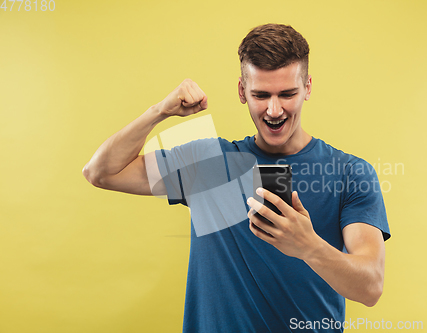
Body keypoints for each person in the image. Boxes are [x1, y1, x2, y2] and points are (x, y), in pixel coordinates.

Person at [83, 23, 390, 332]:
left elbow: (371, 286)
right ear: (242, 91)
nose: (274, 110)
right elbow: (101, 172)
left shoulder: (350, 172)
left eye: (287, 94)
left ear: (308, 88)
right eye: (260, 94)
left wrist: (308, 245)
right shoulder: (209, 162)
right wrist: (159, 111)